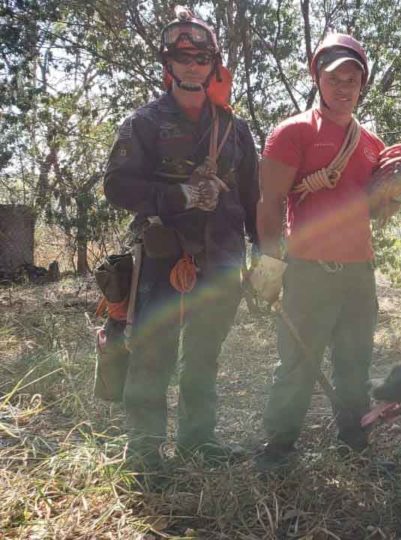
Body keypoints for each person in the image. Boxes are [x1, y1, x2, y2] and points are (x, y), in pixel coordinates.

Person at [103, 6, 259, 475]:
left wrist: (268, 252)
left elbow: (253, 196)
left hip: (223, 258)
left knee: (204, 356)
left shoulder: (235, 128)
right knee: (153, 355)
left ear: (214, 64)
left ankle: (198, 440)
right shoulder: (144, 123)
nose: (192, 66)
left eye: (201, 58)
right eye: (183, 57)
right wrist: (177, 195)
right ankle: (146, 453)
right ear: (168, 64)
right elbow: (116, 186)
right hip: (162, 257)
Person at [251, 32, 387, 469]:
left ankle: (354, 439)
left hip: (358, 273)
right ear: (317, 79)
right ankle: (278, 448)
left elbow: (378, 211)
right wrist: (269, 269)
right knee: (297, 364)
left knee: (354, 362)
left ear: (362, 83)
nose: (344, 87)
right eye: (335, 78)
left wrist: (398, 188)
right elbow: (269, 203)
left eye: (353, 78)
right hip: (309, 270)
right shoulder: (292, 133)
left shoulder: (371, 145)